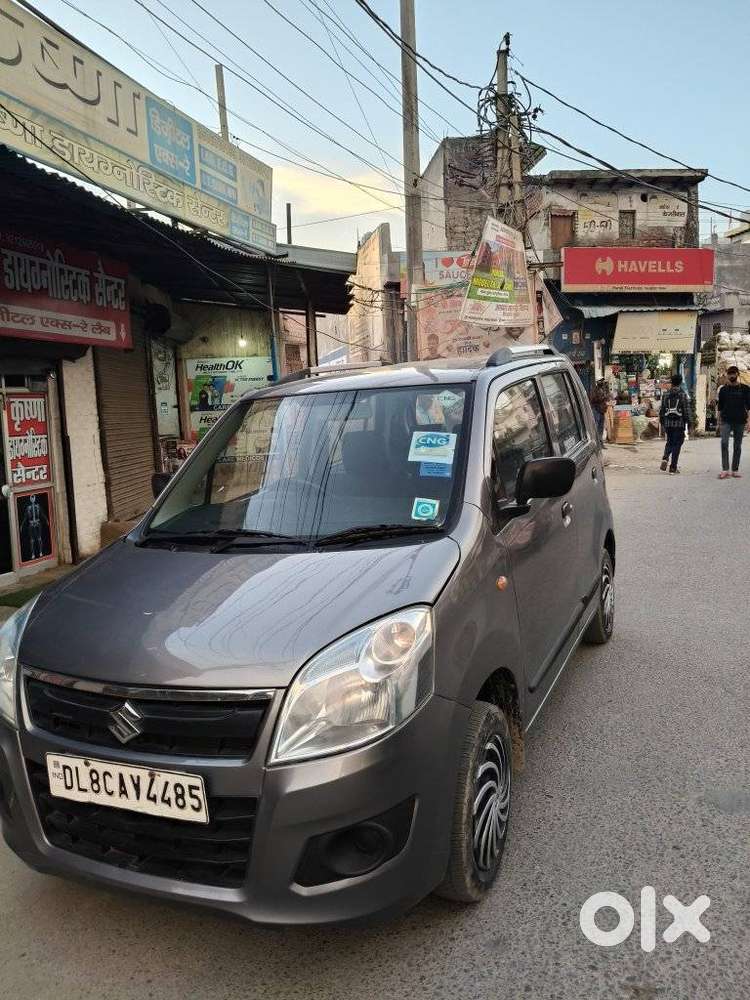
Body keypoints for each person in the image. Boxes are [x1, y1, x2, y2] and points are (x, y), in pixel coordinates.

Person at [717, 365, 750, 479]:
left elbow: (748, 407)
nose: (731, 375)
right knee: (724, 443)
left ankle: (735, 470)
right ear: (727, 375)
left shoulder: (745, 389)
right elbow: (720, 407)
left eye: (733, 373)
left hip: (740, 421)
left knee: (737, 446)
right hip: (726, 420)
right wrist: (718, 422)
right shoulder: (723, 390)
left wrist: (749, 422)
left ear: (737, 374)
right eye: (729, 373)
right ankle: (725, 469)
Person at [659, 373, 690, 474]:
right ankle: (673, 467)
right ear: (680, 382)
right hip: (679, 423)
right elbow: (686, 410)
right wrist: (689, 423)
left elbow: (662, 409)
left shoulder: (665, 394)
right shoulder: (682, 395)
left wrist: (662, 421)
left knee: (670, 441)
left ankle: (665, 457)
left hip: (668, 423)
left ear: (671, 382)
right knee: (677, 444)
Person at [589, 379, 610, 445]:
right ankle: (596, 441)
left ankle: (600, 442)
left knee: (601, 427)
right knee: (596, 426)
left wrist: (606, 397)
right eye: (601, 381)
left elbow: (606, 398)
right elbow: (593, 399)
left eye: (602, 381)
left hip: (602, 410)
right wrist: (602, 398)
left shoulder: (603, 389)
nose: (602, 382)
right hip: (596, 410)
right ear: (597, 382)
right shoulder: (594, 390)